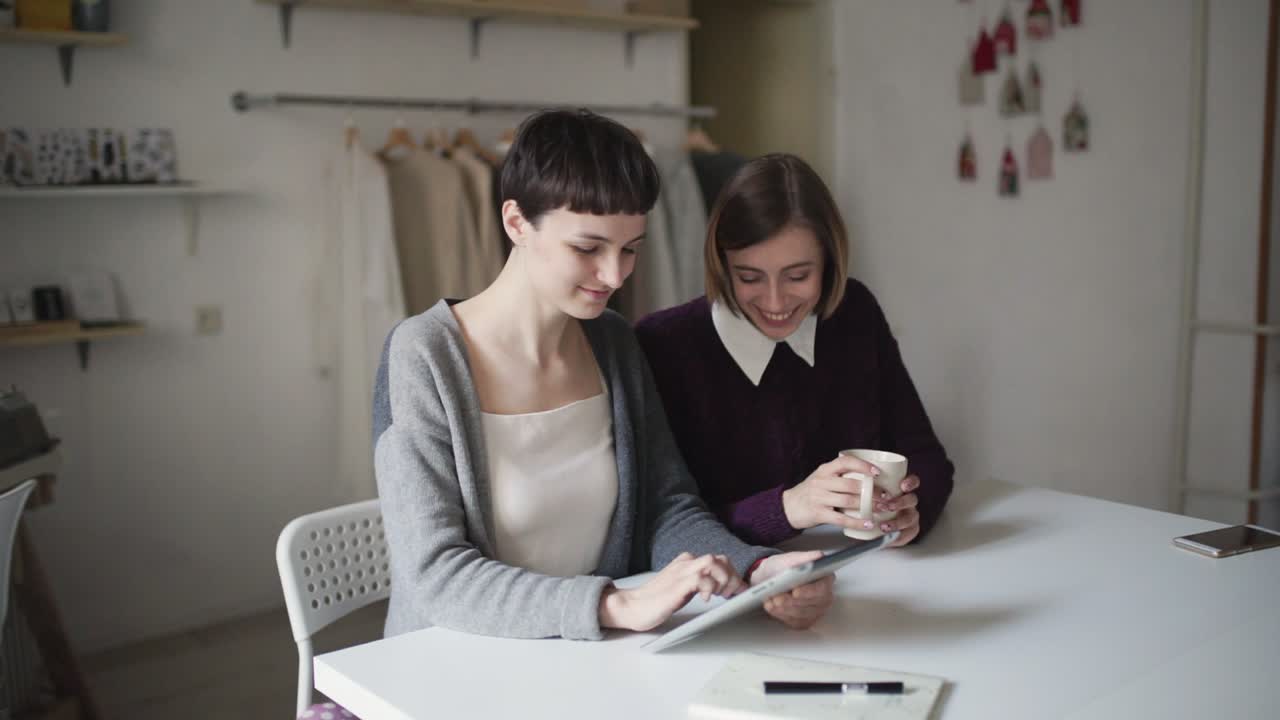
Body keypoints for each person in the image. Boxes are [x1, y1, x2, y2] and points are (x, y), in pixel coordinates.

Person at [372, 112, 835, 642]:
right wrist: (613, 605)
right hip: (448, 665)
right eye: (588, 248)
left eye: (630, 249)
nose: (615, 275)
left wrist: (755, 570)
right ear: (517, 222)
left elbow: (666, 508)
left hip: (587, 658)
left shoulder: (612, 343)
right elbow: (436, 575)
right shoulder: (424, 356)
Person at [635, 154, 954, 549]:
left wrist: (912, 508)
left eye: (798, 276)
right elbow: (660, 528)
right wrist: (788, 508)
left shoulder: (854, 313)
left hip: (866, 575)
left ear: (829, 263)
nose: (775, 300)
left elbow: (926, 456)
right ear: (721, 264)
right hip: (733, 591)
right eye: (749, 277)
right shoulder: (664, 345)